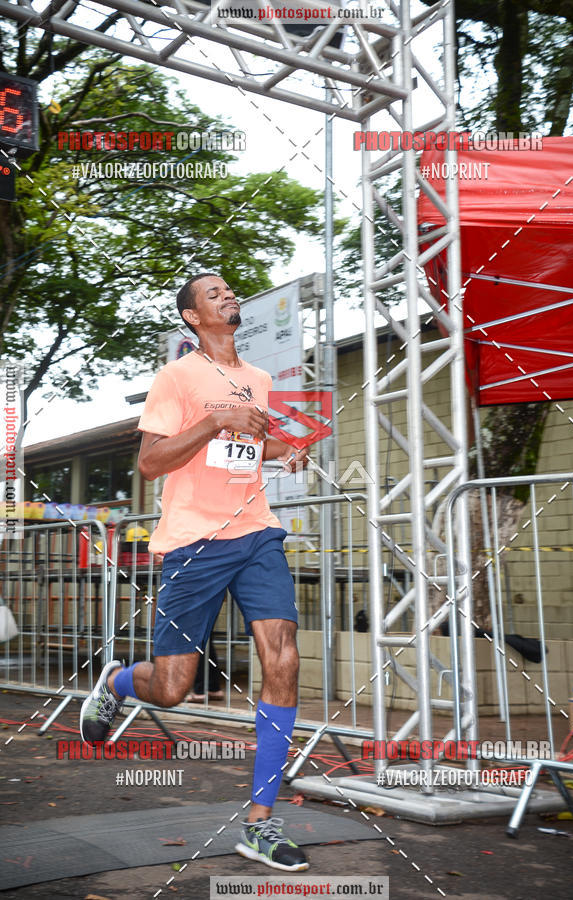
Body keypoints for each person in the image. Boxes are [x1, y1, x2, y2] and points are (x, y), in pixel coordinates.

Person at [80, 273, 309, 871]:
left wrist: (285, 449)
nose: (228, 296)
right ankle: (118, 683)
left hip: (257, 531)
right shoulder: (176, 377)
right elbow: (152, 462)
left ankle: (260, 822)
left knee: (283, 656)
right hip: (194, 541)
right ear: (192, 318)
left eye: (230, 290)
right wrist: (214, 420)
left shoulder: (258, 380)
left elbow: (247, 449)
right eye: (213, 294)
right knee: (174, 687)